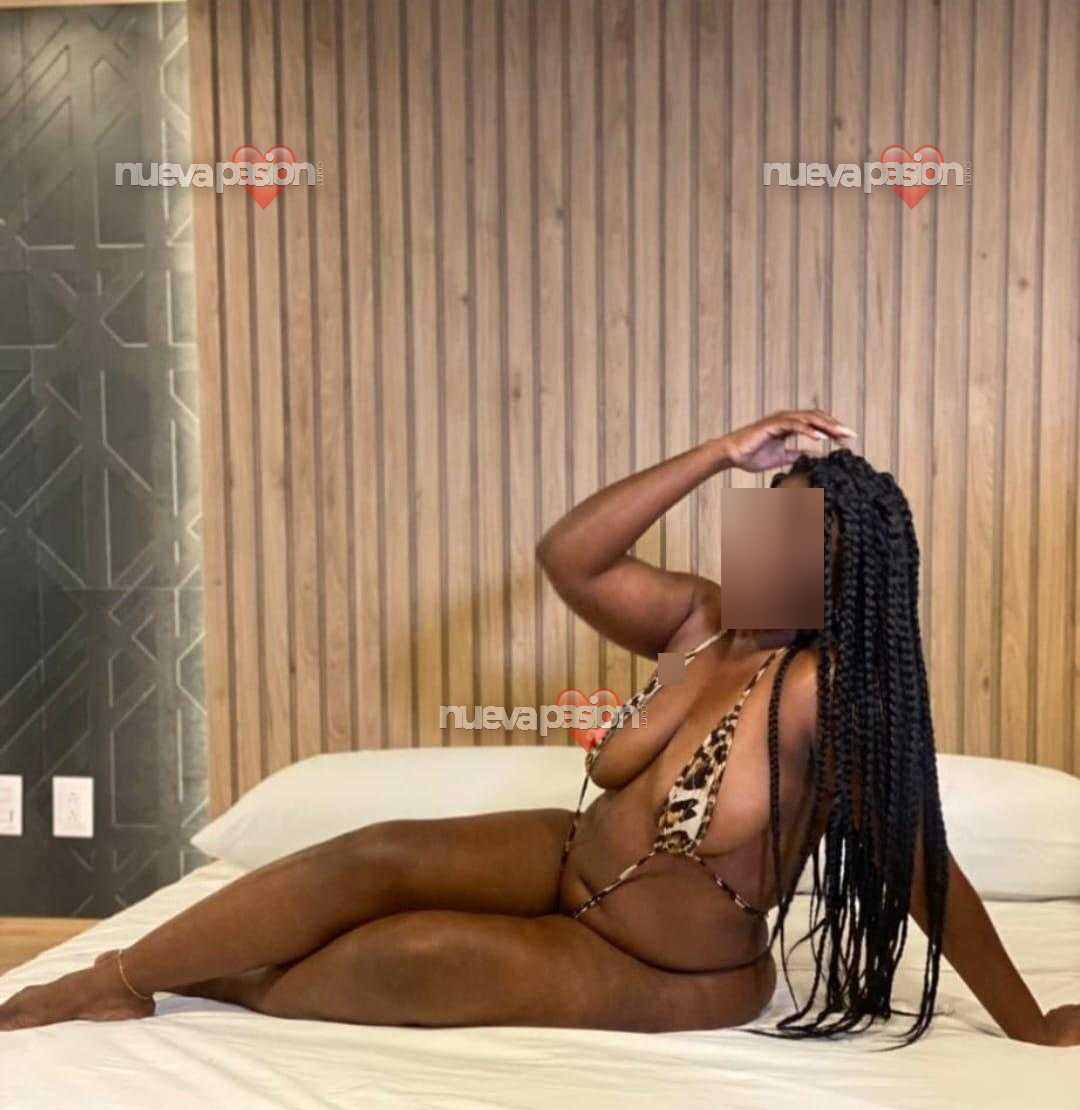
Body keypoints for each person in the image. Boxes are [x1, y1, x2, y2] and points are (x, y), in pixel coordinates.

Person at [2, 410, 1077, 1046]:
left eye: (805, 530)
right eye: (768, 513)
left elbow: (919, 860)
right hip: (571, 860)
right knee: (372, 854)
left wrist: (1025, 1019)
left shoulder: (821, 693)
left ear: (850, 570)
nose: (770, 539)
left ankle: (218, 978)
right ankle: (117, 978)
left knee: (414, 954)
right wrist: (719, 451)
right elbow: (571, 555)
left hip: (663, 969)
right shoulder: (703, 619)